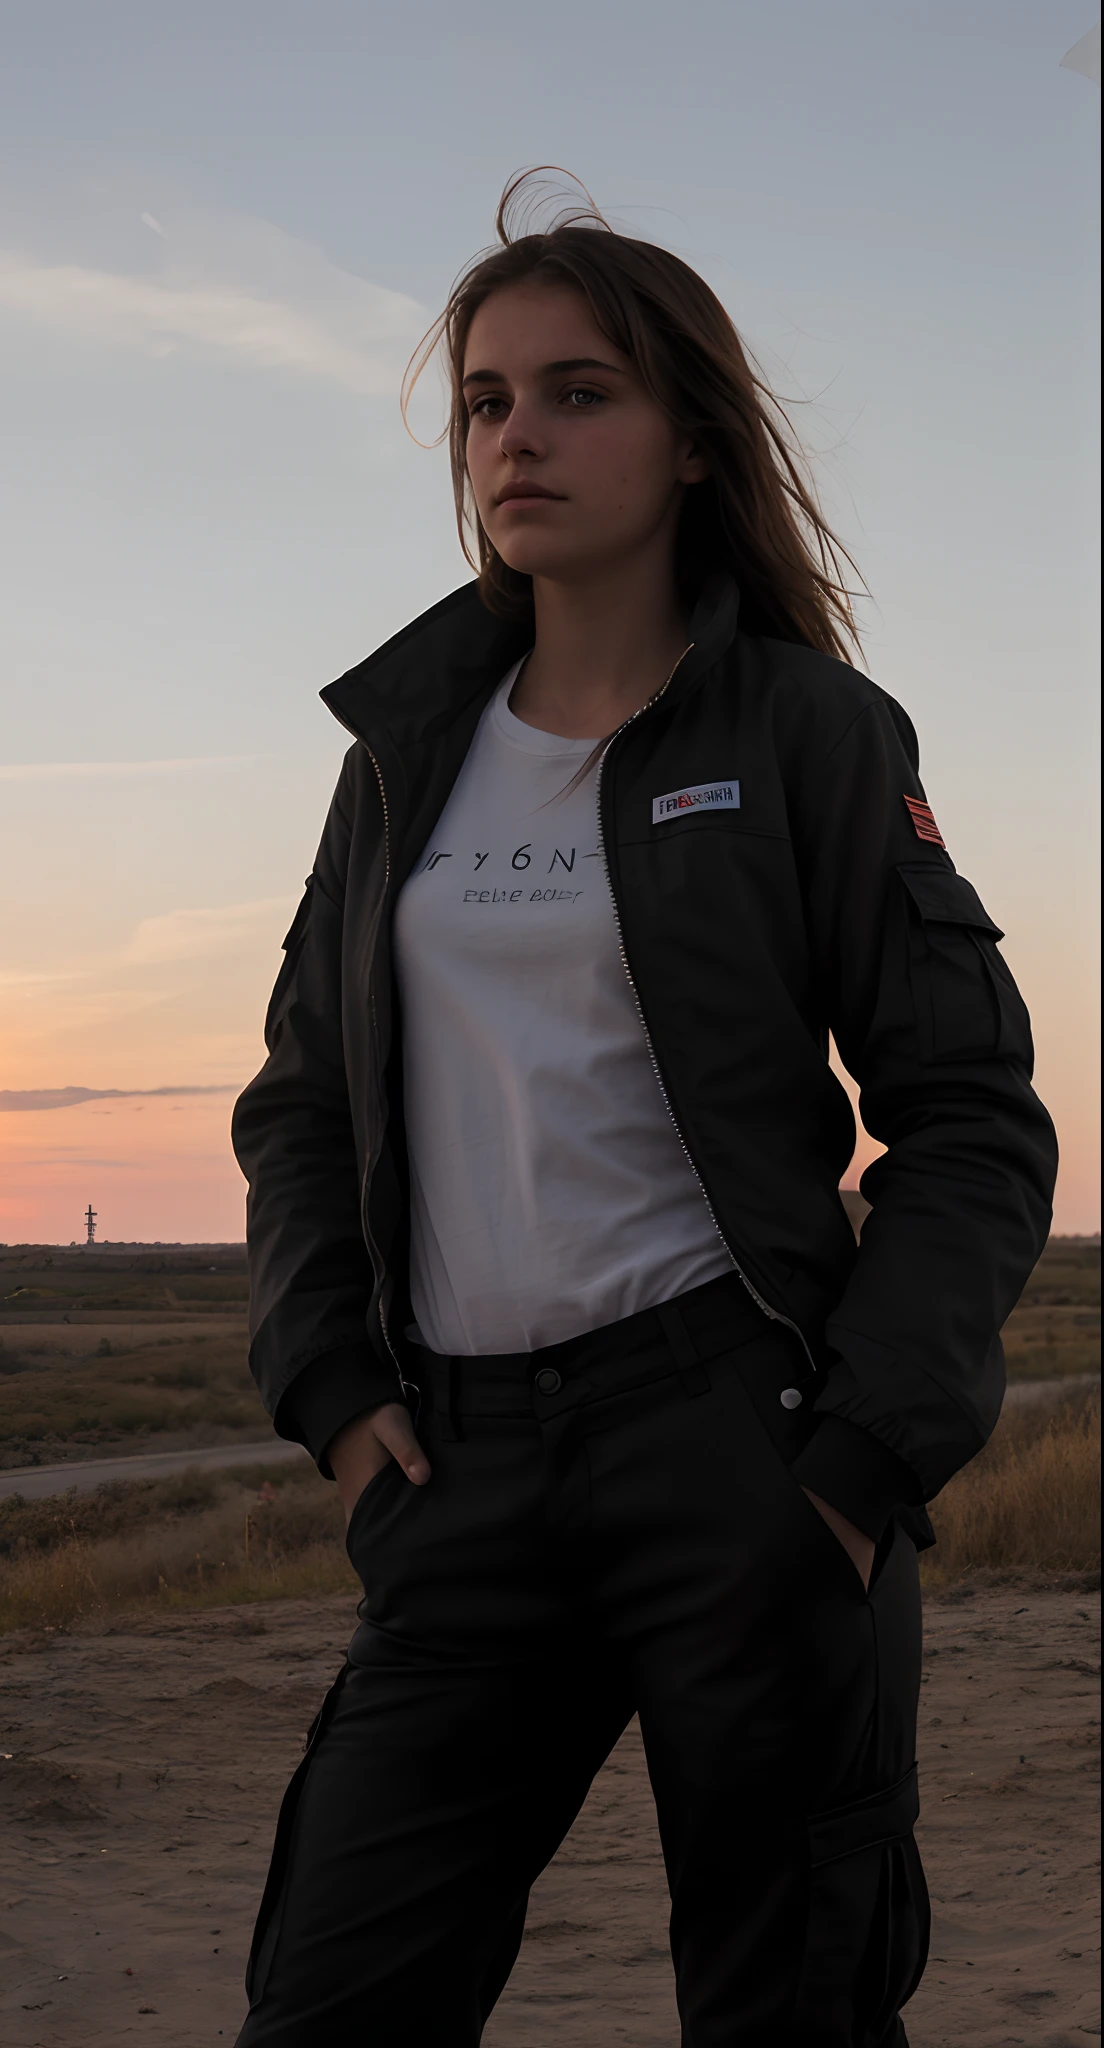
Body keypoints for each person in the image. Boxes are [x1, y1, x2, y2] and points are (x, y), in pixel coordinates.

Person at [230, 172, 1057, 2047]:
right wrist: (337, 1392)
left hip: (739, 1454)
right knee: (332, 1998)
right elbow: (301, 1100)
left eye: (579, 391)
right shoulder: (405, 763)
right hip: (458, 1471)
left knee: (790, 2006)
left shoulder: (806, 738)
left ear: (691, 440)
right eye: (487, 400)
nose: (518, 436)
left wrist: (856, 1467)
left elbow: (970, 1115)